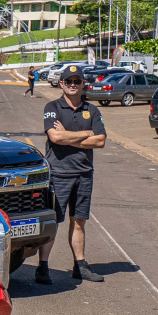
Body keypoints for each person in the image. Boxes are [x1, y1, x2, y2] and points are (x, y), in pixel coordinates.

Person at [35, 65, 107, 285]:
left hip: (84, 174)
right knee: (54, 221)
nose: (73, 85)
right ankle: (43, 267)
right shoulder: (52, 107)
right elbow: (55, 138)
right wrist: (86, 134)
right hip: (59, 174)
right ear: (62, 84)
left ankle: (80, 266)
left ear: (83, 83)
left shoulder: (92, 110)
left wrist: (68, 135)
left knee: (79, 222)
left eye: (77, 81)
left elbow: (101, 141)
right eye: (69, 81)